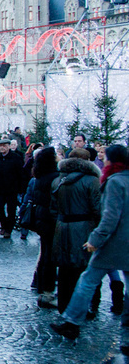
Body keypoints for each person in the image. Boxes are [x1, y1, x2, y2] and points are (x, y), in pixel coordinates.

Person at [51, 144, 129, 352]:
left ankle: (72, 322)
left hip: (112, 242)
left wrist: (95, 238)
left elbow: (109, 216)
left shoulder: (114, 182)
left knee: (88, 280)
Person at [50, 148, 101, 314]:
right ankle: (82, 308)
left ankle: (64, 305)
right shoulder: (92, 180)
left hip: (61, 227)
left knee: (64, 269)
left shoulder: (58, 180)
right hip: (84, 227)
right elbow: (97, 208)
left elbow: (53, 208)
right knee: (84, 269)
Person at [30, 147, 60, 309]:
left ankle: (42, 286)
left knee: (44, 254)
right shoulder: (54, 177)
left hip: (41, 219)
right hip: (50, 220)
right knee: (49, 256)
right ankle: (47, 291)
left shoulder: (40, 175)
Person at [0, 140, 23, 238]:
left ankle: (9, 229)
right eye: (0, 146)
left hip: (12, 189)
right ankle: (4, 226)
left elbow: (21, 174)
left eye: (4, 146)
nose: (2, 148)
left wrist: (20, 188)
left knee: (11, 210)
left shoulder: (16, 158)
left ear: (9, 146)